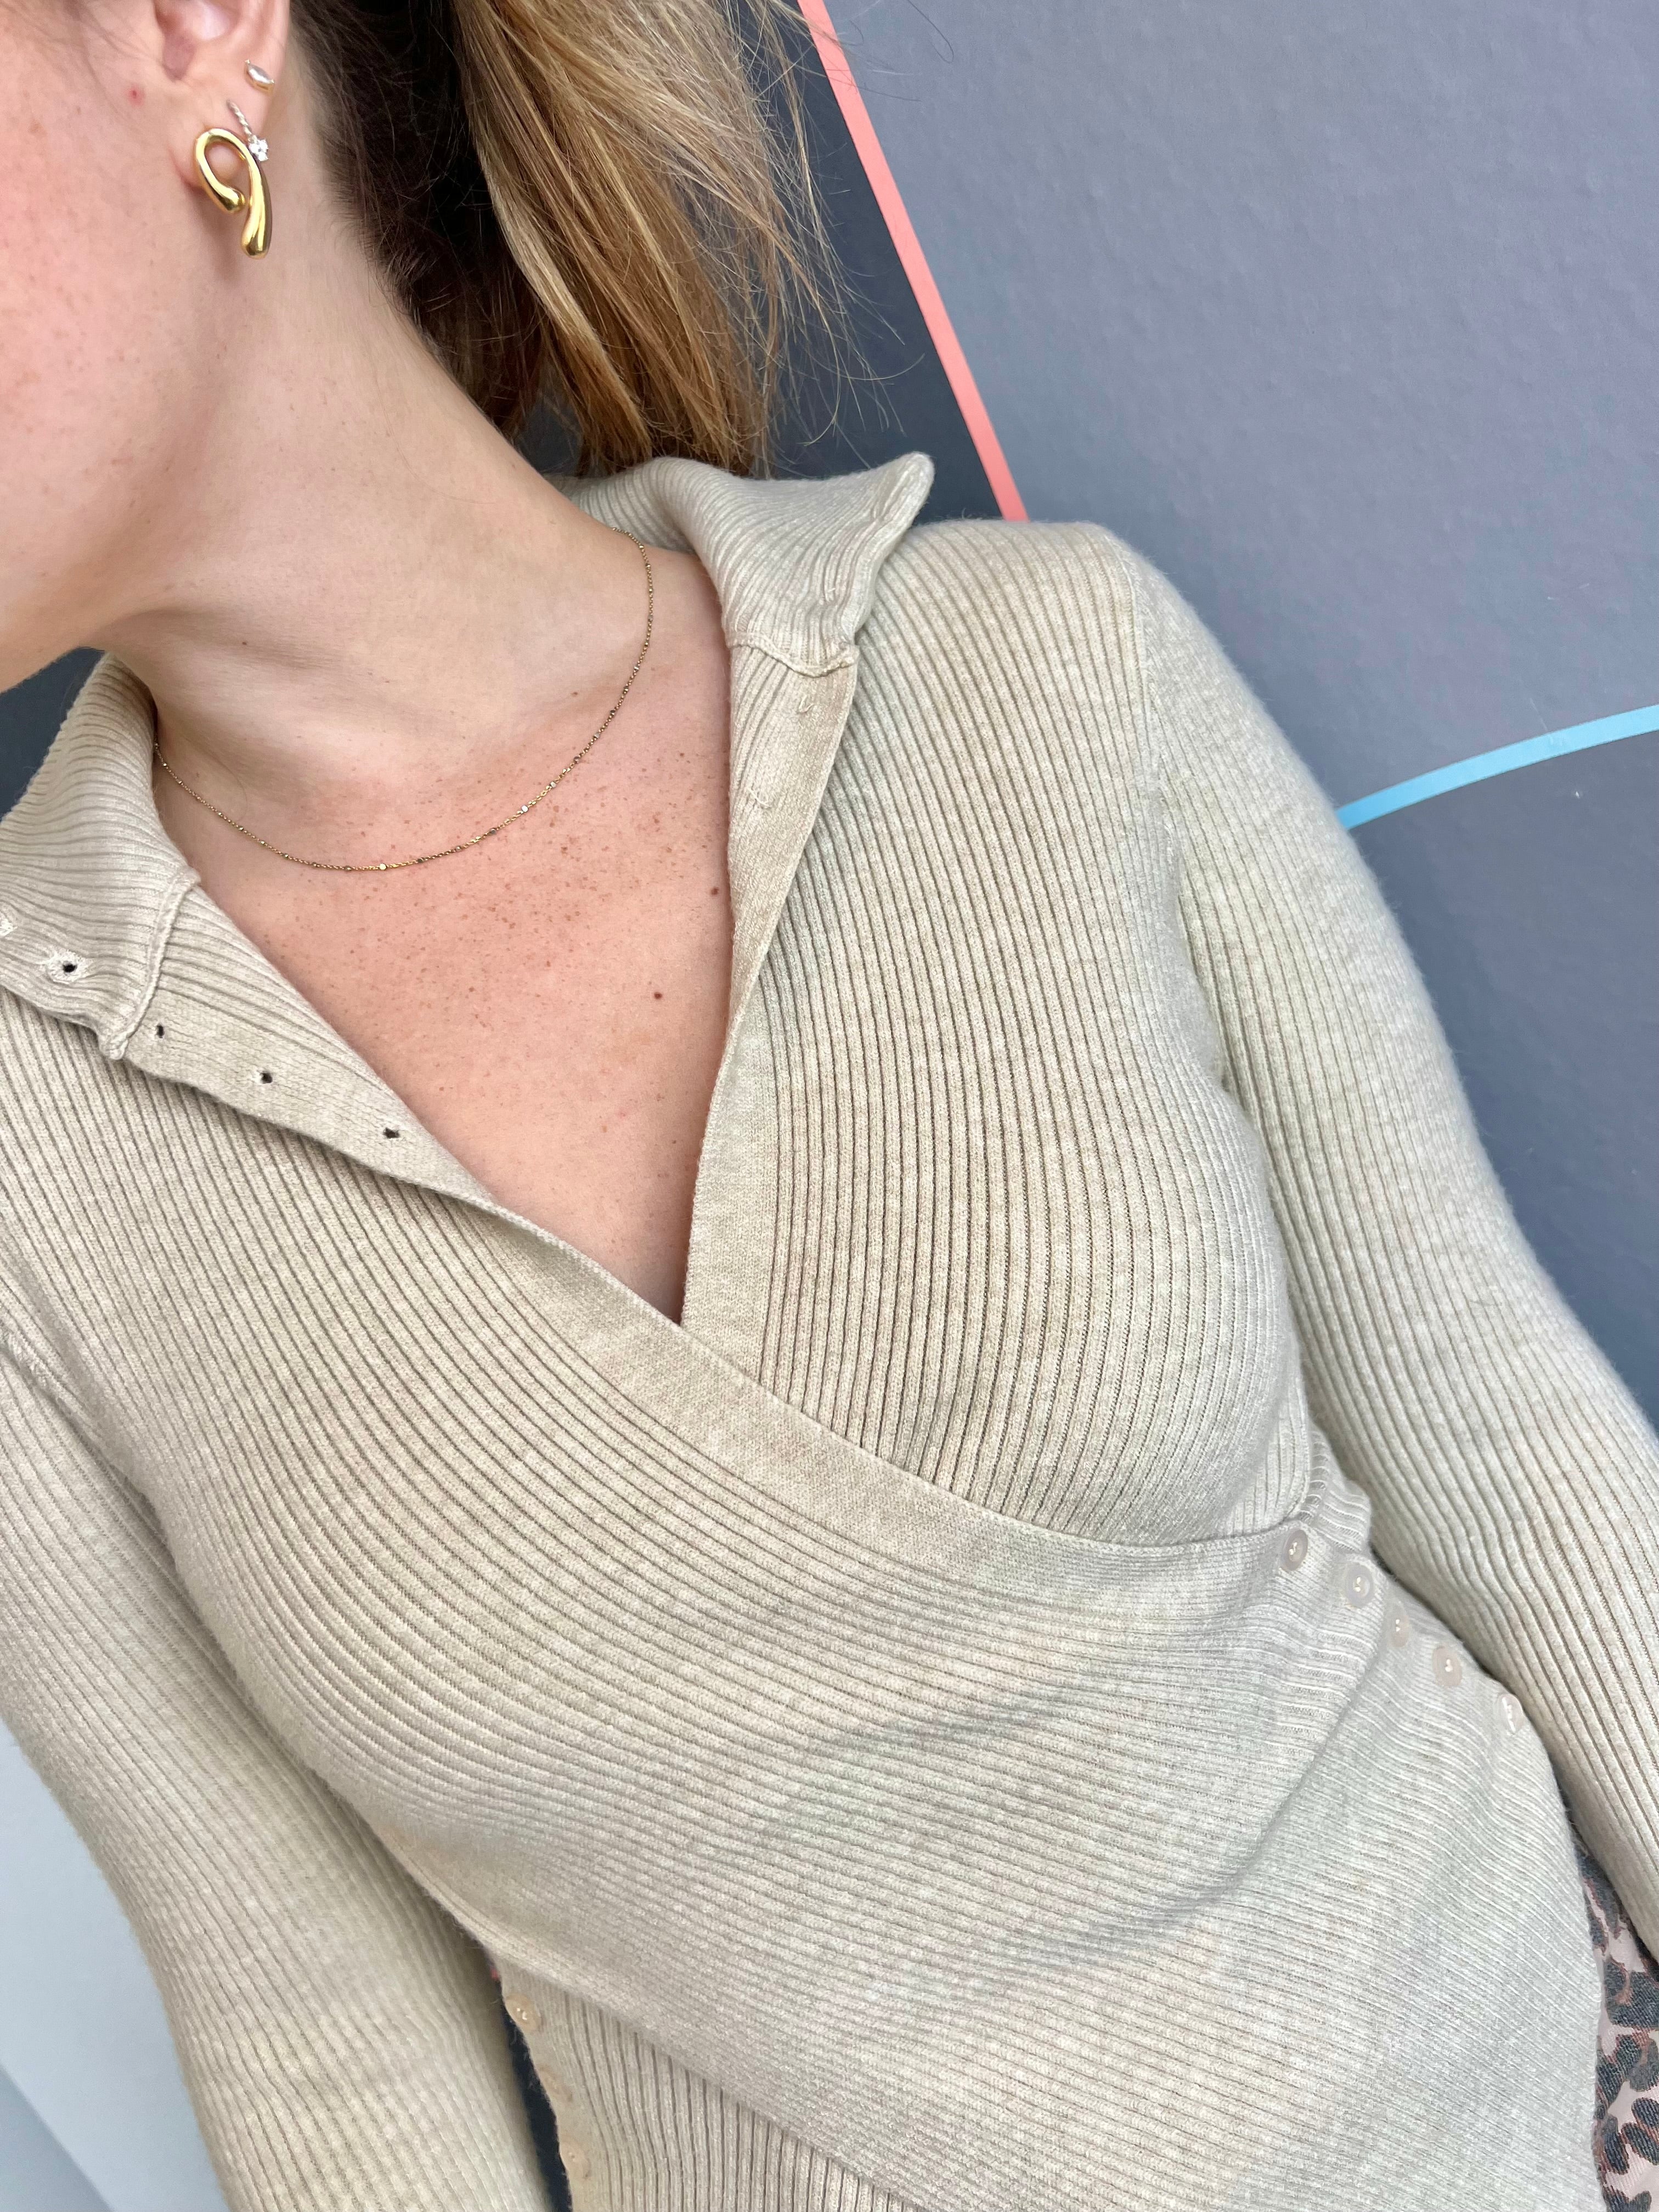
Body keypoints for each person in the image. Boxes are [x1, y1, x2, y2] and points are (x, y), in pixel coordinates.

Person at [0, 0, 1655, 2202]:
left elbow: (1535, 1492)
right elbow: (319, 2039)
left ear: (186, 31)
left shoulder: (1041, 672)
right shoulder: (27, 1136)